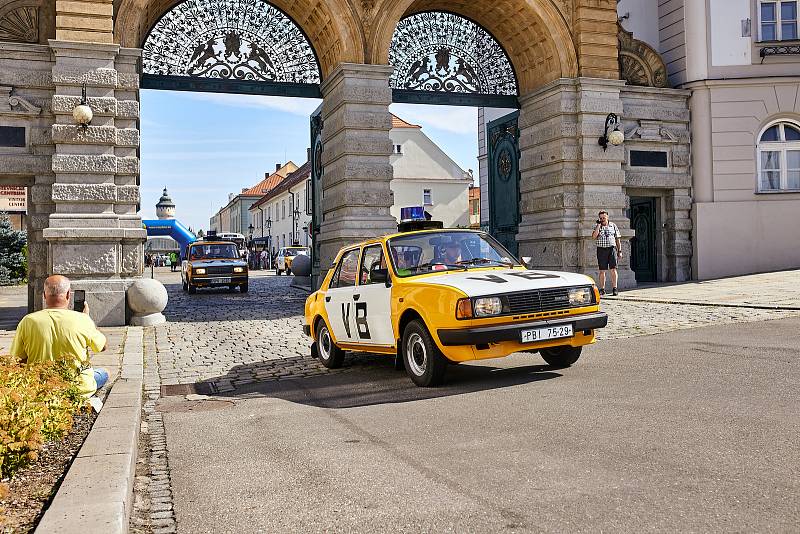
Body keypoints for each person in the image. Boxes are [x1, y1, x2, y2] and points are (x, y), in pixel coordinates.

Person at [10, 275, 108, 398]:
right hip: (77, 388)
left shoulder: (28, 321)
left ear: (44, 296)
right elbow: (103, 347)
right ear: (68, 295)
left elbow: (17, 360)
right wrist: (88, 320)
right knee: (104, 372)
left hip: (42, 388)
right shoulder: (82, 320)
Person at [591, 210, 622, 296]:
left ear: (607, 217)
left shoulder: (613, 226)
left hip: (612, 249)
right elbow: (594, 236)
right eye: (600, 218)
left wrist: (619, 251)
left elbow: (618, 239)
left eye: (603, 218)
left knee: (613, 269)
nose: (602, 219)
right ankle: (602, 289)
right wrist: (598, 225)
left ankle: (615, 288)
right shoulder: (598, 226)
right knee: (602, 271)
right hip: (601, 250)